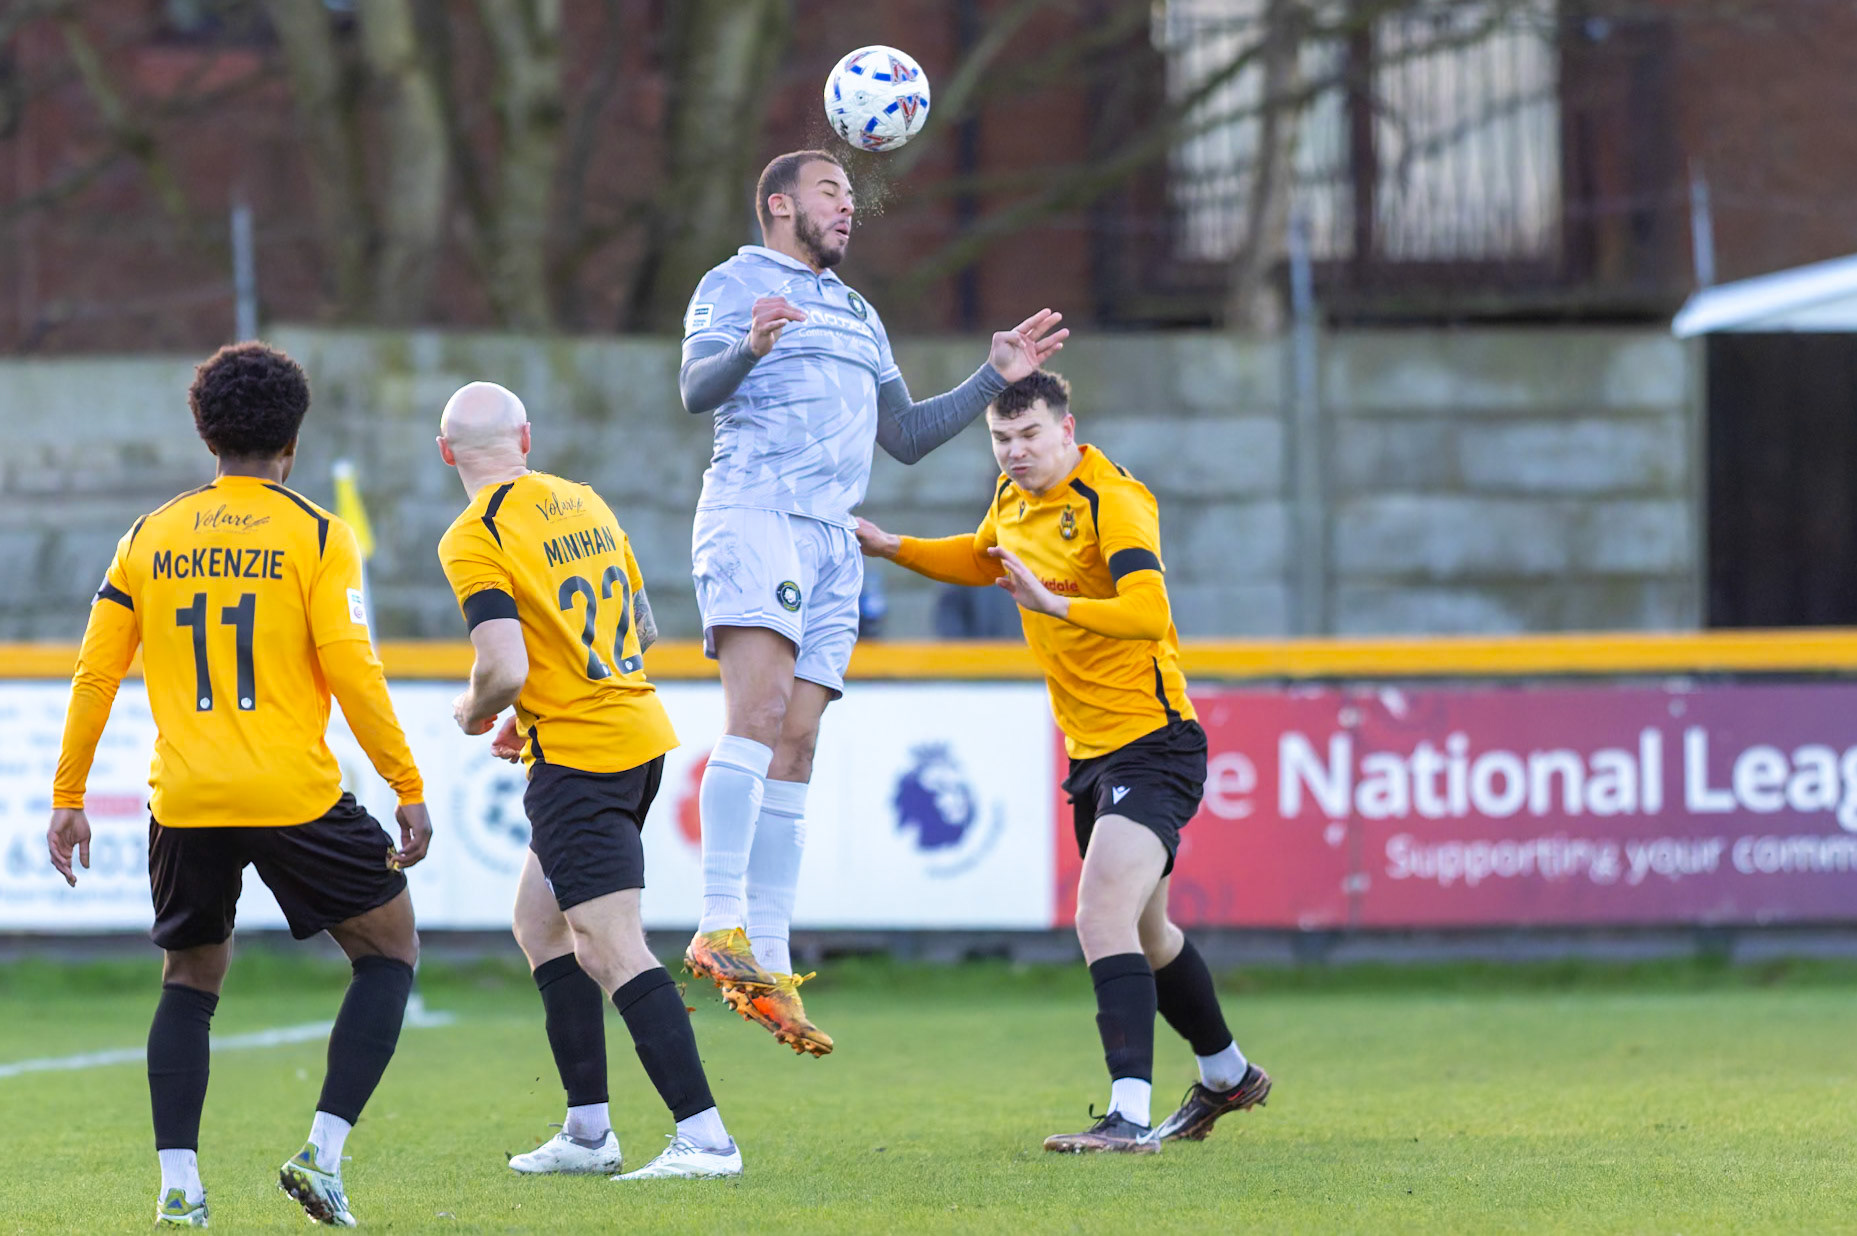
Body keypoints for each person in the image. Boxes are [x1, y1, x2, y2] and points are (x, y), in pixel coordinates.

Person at [678, 148, 1068, 1055]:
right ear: (779, 204)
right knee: (760, 711)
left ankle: (765, 961)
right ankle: (717, 920)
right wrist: (750, 346)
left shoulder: (857, 311)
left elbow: (903, 437)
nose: (847, 208)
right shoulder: (733, 282)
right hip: (756, 513)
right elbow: (695, 390)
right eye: (829, 192)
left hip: (833, 536)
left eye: (851, 195)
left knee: (801, 738)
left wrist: (992, 377)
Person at [46, 342, 432, 1227]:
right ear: (291, 443)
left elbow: (94, 677)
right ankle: (323, 1157)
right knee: (391, 951)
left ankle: (179, 1187)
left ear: (204, 434)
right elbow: (354, 672)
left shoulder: (148, 535)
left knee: (190, 980)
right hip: (292, 795)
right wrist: (405, 784)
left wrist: (68, 797)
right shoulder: (318, 535)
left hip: (184, 799)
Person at [856, 370, 1270, 1153]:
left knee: (1098, 916)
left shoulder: (1111, 499)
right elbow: (983, 558)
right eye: (1001, 440)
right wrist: (892, 546)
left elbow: (1148, 611)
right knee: (1148, 934)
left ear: (1066, 428)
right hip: (1092, 753)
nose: (1014, 452)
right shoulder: (1013, 502)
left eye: (1030, 436)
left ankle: (1129, 1115)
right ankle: (1227, 1074)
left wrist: (1056, 605)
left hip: (1152, 742)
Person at [435, 381, 742, 1181]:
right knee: (540, 926)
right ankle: (587, 1132)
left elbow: (501, 666)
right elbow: (638, 624)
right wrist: (534, 704)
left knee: (611, 946)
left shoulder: (475, 535)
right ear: (525, 438)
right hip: (636, 734)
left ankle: (705, 1138)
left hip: (582, 756)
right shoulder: (583, 501)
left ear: (445, 455)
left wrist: (474, 712)